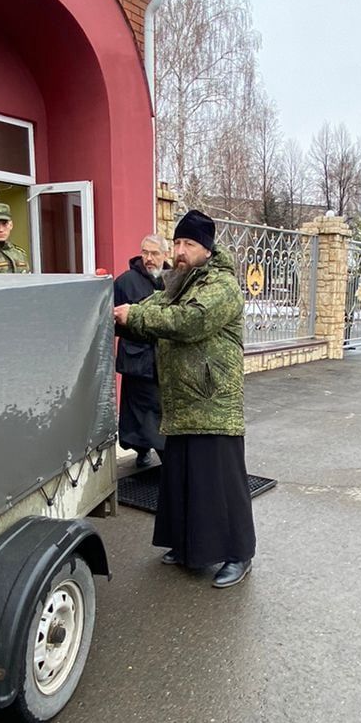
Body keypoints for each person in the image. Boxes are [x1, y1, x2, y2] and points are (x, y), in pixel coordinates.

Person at [114, 210, 255, 588]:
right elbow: (154, 311)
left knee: (220, 483)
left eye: (188, 244)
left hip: (213, 401)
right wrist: (119, 318)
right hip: (180, 401)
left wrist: (136, 318)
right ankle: (186, 545)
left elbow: (189, 322)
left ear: (206, 249)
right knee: (182, 480)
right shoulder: (179, 283)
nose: (180, 250)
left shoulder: (221, 286)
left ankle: (239, 553)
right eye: (176, 243)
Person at [114, 235, 170, 469]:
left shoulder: (174, 280)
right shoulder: (125, 282)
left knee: (161, 409)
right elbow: (113, 319)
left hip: (165, 358)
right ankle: (144, 450)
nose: (148, 258)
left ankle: (160, 451)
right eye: (145, 252)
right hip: (138, 358)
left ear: (165, 255)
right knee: (142, 410)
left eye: (154, 253)